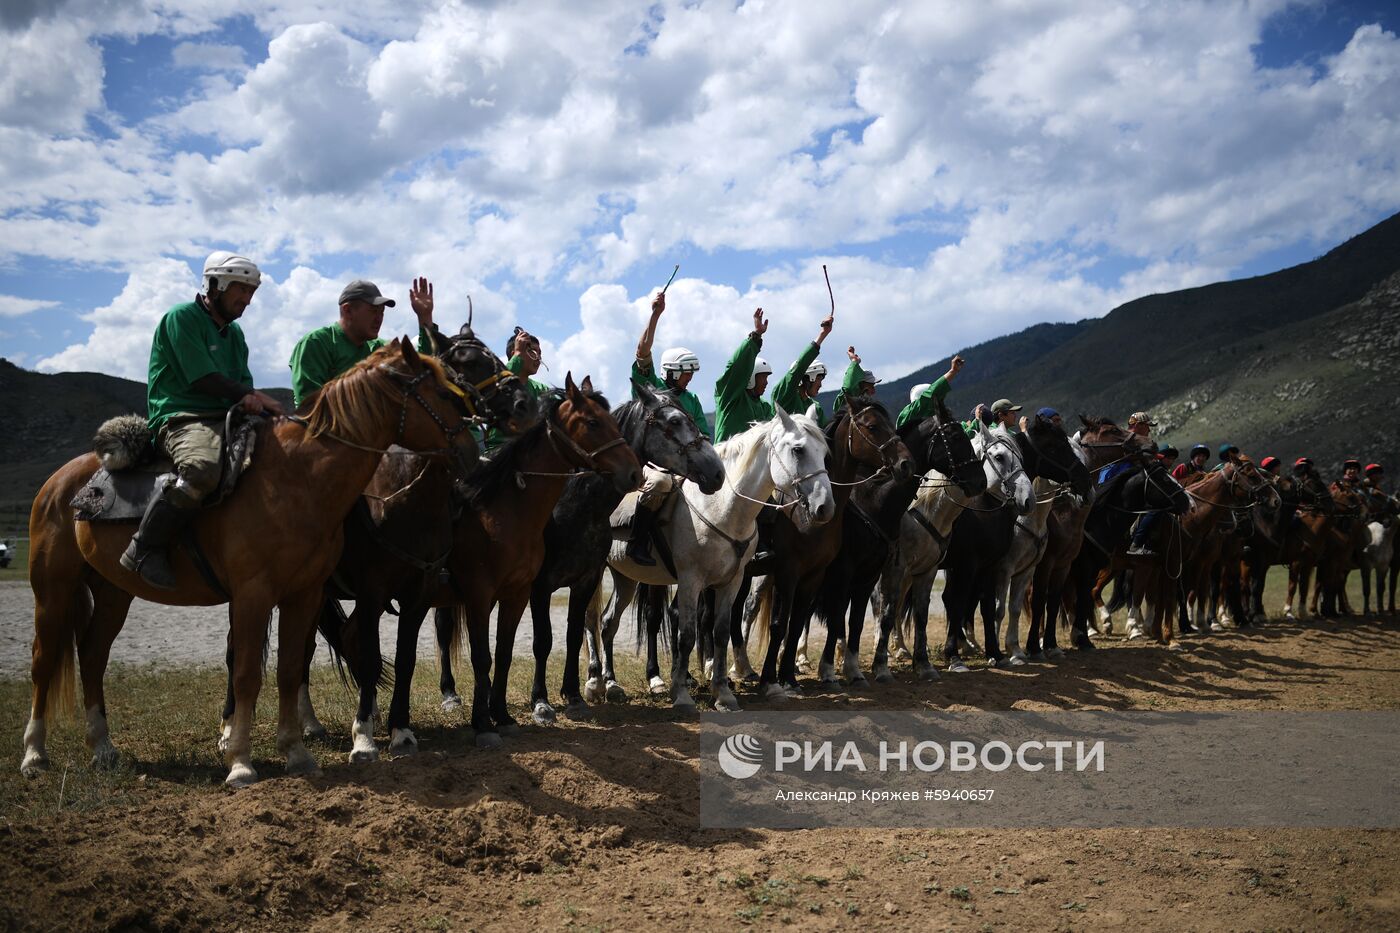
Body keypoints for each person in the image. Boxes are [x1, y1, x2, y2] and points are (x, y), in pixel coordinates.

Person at [119, 251, 284, 589]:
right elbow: (201, 378)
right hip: (181, 416)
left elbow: (243, 386)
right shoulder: (182, 318)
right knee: (202, 468)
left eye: (252, 293)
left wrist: (263, 406)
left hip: (226, 417)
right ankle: (144, 546)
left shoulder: (235, 335)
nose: (247, 300)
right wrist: (247, 396)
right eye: (241, 290)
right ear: (216, 285)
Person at [625, 289, 715, 566]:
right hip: (650, 462)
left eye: (691, 373)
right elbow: (642, 353)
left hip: (684, 462)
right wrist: (655, 315)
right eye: (686, 372)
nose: (689, 378)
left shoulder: (692, 399)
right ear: (672, 371)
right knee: (661, 482)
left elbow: (702, 435)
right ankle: (637, 542)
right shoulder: (653, 387)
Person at [288, 277, 436, 408]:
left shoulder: (380, 349)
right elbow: (309, 404)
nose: (379, 319)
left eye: (382, 312)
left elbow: (419, 369)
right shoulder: (317, 342)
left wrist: (425, 317)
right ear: (348, 311)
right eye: (373, 311)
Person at [482, 326, 551, 452]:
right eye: (533, 352)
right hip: (498, 452)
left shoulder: (540, 388)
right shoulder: (495, 382)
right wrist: (519, 352)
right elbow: (498, 384)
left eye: (540, 353)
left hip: (531, 454)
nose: (538, 358)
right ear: (515, 353)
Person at [713, 308, 776, 444]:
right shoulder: (729, 397)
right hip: (727, 461)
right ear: (750, 377)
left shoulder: (764, 406)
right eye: (763, 377)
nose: (766, 383)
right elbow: (736, 365)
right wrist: (756, 336)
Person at [770, 311, 836, 425]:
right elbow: (798, 369)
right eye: (818, 380)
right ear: (808, 377)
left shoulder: (815, 408)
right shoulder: (785, 396)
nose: (820, 385)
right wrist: (823, 334)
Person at [896, 355, 966, 430]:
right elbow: (931, 392)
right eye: (935, 398)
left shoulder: (930, 421)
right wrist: (952, 371)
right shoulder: (910, 411)